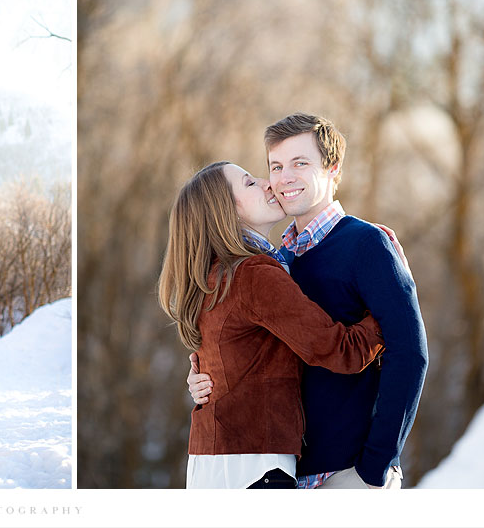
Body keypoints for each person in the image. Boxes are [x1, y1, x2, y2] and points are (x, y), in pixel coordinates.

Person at [187, 113, 428, 489]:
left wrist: (377, 462)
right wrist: (205, 374)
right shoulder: (279, 261)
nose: (283, 178)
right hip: (283, 471)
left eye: (300, 163)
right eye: (276, 166)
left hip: (348, 471)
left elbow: (410, 353)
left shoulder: (368, 244)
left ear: (332, 168)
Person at [158, 160, 386, 489]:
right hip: (255, 464)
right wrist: (386, 309)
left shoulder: (215, 276)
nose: (268, 183)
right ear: (226, 211)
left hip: (212, 462)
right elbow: (336, 349)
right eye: (250, 183)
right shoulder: (254, 274)